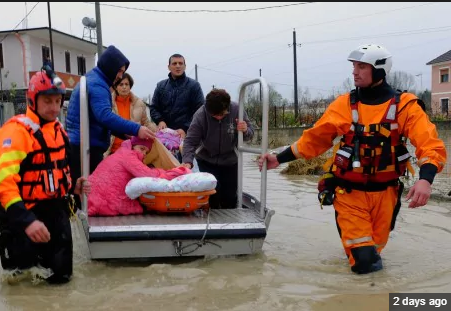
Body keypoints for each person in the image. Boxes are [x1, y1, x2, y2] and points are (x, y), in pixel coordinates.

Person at [258, 44, 447, 275]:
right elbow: (315, 139)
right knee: (366, 262)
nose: (354, 72)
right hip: (349, 194)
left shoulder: (406, 106)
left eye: (362, 66)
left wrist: (425, 180)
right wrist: (279, 158)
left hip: (386, 195)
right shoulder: (343, 105)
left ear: (379, 70)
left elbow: (429, 144)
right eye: (354, 66)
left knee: (374, 254)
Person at [0, 66, 90, 284]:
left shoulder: (59, 130)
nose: (54, 108)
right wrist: (27, 222)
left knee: (62, 279)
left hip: (55, 214)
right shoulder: (15, 133)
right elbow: (2, 184)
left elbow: (58, 171)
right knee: (22, 283)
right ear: (33, 99)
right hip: (22, 215)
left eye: (58, 101)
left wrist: (73, 187)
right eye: (48, 101)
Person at [66, 45, 155, 198]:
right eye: (119, 71)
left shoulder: (95, 80)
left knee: (87, 192)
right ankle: (84, 219)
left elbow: (98, 119)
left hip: (84, 144)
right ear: (110, 67)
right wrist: (136, 129)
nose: (121, 76)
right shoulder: (97, 84)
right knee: (88, 194)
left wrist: (124, 134)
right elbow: (104, 116)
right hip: (85, 148)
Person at [181, 88, 254, 209]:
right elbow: (190, 141)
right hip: (206, 159)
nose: (219, 118)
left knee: (229, 197)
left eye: (222, 114)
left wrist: (245, 130)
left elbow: (251, 134)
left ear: (227, 108)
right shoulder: (200, 115)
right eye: (214, 115)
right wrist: (187, 161)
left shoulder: (237, 110)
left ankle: (230, 222)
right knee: (213, 195)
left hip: (231, 160)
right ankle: (212, 221)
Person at [88, 137, 191, 216]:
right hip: (108, 202)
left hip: (92, 198)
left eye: (146, 152)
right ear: (133, 145)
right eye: (141, 148)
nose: (144, 154)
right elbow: (149, 175)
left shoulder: (120, 153)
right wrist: (175, 173)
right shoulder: (129, 156)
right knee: (143, 207)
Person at [149, 53, 205, 140]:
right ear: (169, 67)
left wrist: (185, 128)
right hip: (164, 135)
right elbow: (153, 108)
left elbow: (200, 111)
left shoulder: (194, 86)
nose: (178, 66)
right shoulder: (161, 86)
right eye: (174, 63)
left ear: (185, 66)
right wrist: (160, 120)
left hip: (188, 136)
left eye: (180, 63)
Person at [105, 73, 157, 156]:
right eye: (121, 84)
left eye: (127, 84)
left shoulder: (139, 103)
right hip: (111, 150)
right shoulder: (107, 103)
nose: (124, 87)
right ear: (115, 86)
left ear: (130, 86)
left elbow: (146, 123)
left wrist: (157, 130)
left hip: (133, 149)